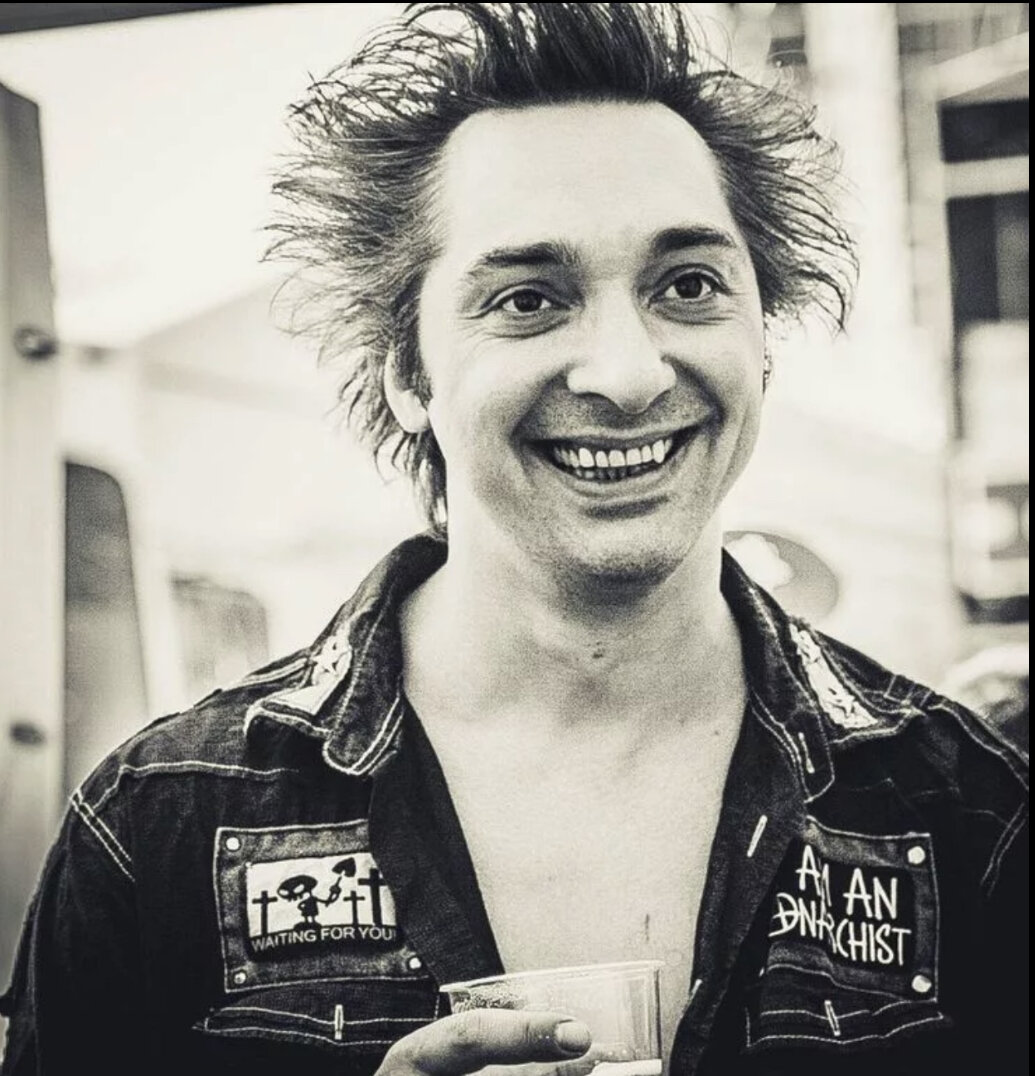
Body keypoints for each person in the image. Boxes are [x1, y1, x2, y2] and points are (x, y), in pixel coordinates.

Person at [1, 4, 1027, 1074]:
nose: (627, 374)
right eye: (530, 299)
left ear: (760, 338)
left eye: (688, 285)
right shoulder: (167, 820)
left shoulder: (962, 809)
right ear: (410, 376)